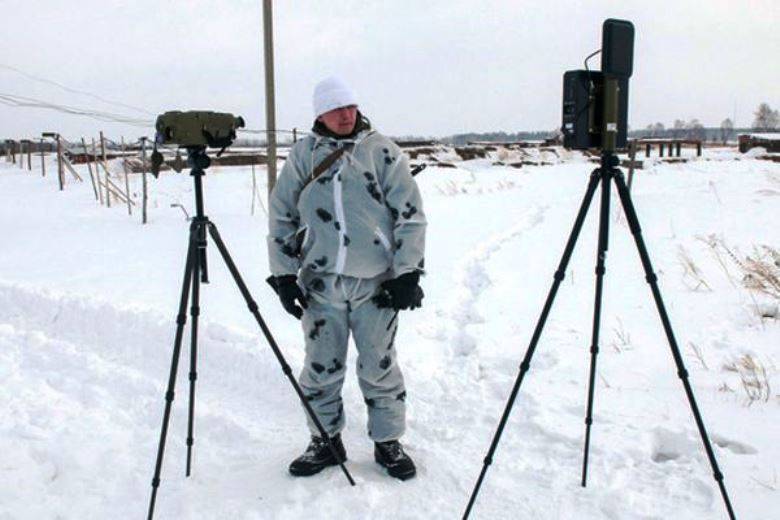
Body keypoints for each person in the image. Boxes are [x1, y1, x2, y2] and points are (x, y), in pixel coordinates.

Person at [267, 76, 426, 481]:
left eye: (351, 107)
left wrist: (408, 273)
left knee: (380, 365)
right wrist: (284, 275)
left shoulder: (381, 152)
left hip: (376, 284)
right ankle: (325, 439)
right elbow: (282, 214)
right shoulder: (304, 155)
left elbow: (410, 216)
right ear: (320, 112)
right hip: (320, 283)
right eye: (337, 108)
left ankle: (388, 441)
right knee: (320, 366)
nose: (346, 115)